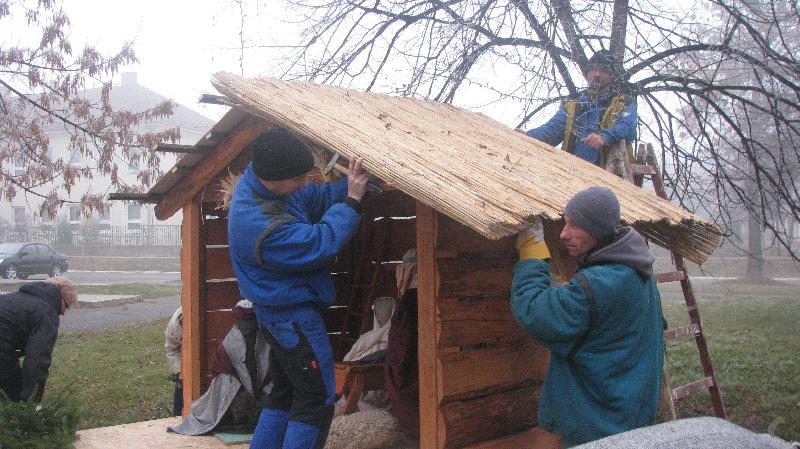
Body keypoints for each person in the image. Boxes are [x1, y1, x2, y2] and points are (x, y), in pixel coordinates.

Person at [227, 127, 369, 449]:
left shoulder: (266, 185)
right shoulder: (259, 225)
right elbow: (320, 243)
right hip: (292, 320)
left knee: (286, 395)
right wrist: (352, 201)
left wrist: (352, 184)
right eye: (299, 178)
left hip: (278, 317)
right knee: (316, 400)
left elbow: (314, 198)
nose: (306, 183)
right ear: (274, 180)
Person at [511, 187, 664, 447]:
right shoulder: (635, 269)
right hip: (631, 412)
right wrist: (568, 292)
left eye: (575, 226)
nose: (563, 233)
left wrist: (531, 253)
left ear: (598, 231)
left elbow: (534, 311)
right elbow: (598, 316)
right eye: (564, 223)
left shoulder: (599, 284)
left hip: (601, 422)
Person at [169, 300, 272, 435]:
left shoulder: (266, 341)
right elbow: (171, 349)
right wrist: (179, 372)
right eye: (243, 322)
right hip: (236, 389)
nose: (246, 327)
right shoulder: (227, 347)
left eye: (249, 322)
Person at [525, 50, 637, 166]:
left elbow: (628, 127)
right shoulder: (573, 103)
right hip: (572, 170)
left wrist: (605, 137)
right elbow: (553, 129)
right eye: (593, 69)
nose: (597, 74)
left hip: (609, 172)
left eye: (603, 70)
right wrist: (529, 136)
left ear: (610, 75)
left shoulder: (623, 102)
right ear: (587, 74)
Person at [0, 276, 78, 402]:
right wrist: (32, 400)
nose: (63, 313)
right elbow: (37, 359)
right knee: (12, 394)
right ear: (61, 299)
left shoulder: (16, 298)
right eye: (67, 306)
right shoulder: (47, 313)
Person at [165, 306, 183, 416]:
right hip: (184, 359)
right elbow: (171, 350)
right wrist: (179, 372)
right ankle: (177, 415)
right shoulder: (173, 327)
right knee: (181, 386)